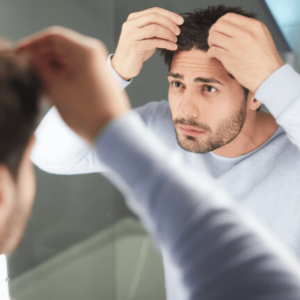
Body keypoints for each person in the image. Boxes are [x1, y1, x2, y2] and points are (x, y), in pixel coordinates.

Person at [30, 5, 300, 298]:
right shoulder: (158, 129)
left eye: (208, 88)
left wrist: (274, 77)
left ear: (256, 94)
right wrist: (115, 70)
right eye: (177, 84)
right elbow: (49, 154)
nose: (185, 110)